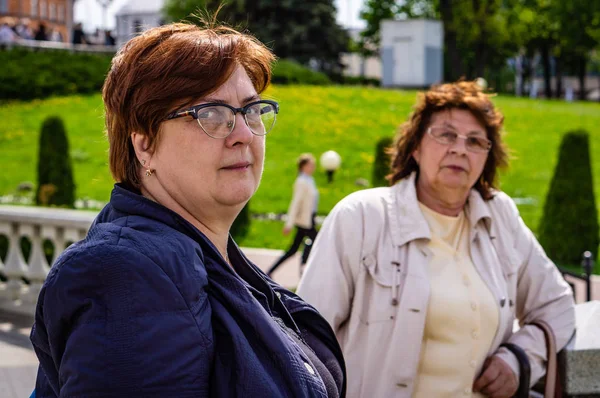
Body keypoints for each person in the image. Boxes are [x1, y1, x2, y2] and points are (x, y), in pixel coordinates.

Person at [30, 20, 345, 397]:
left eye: (251, 110)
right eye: (210, 113)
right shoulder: (123, 274)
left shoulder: (208, 257)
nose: (243, 133)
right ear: (144, 145)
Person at [297, 81, 575, 398]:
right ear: (415, 146)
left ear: (487, 157)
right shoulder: (361, 216)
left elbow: (558, 305)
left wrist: (518, 358)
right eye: (445, 135)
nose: (459, 148)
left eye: (475, 141)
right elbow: (306, 340)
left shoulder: (501, 217)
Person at [268, 153, 319, 277]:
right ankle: (303, 267)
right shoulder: (301, 181)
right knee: (316, 241)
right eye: (310, 165)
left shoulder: (309, 180)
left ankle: (270, 271)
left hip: (310, 219)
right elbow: (295, 203)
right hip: (304, 220)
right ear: (303, 166)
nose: (313, 167)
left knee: (294, 249)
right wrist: (289, 224)